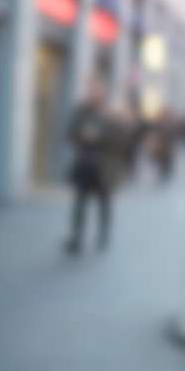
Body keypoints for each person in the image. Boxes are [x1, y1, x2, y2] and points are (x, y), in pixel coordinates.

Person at [63, 79, 123, 254]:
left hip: (104, 166)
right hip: (84, 163)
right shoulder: (81, 111)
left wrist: (100, 137)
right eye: (91, 90)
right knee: (80, 202)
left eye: (97, 91)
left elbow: (119, 140)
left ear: (103, 94)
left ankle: (103, 235)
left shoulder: (110, 113)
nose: (93, 94)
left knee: (105, 202)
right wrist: (82, 136)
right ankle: (76, 237)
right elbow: (70, 133)